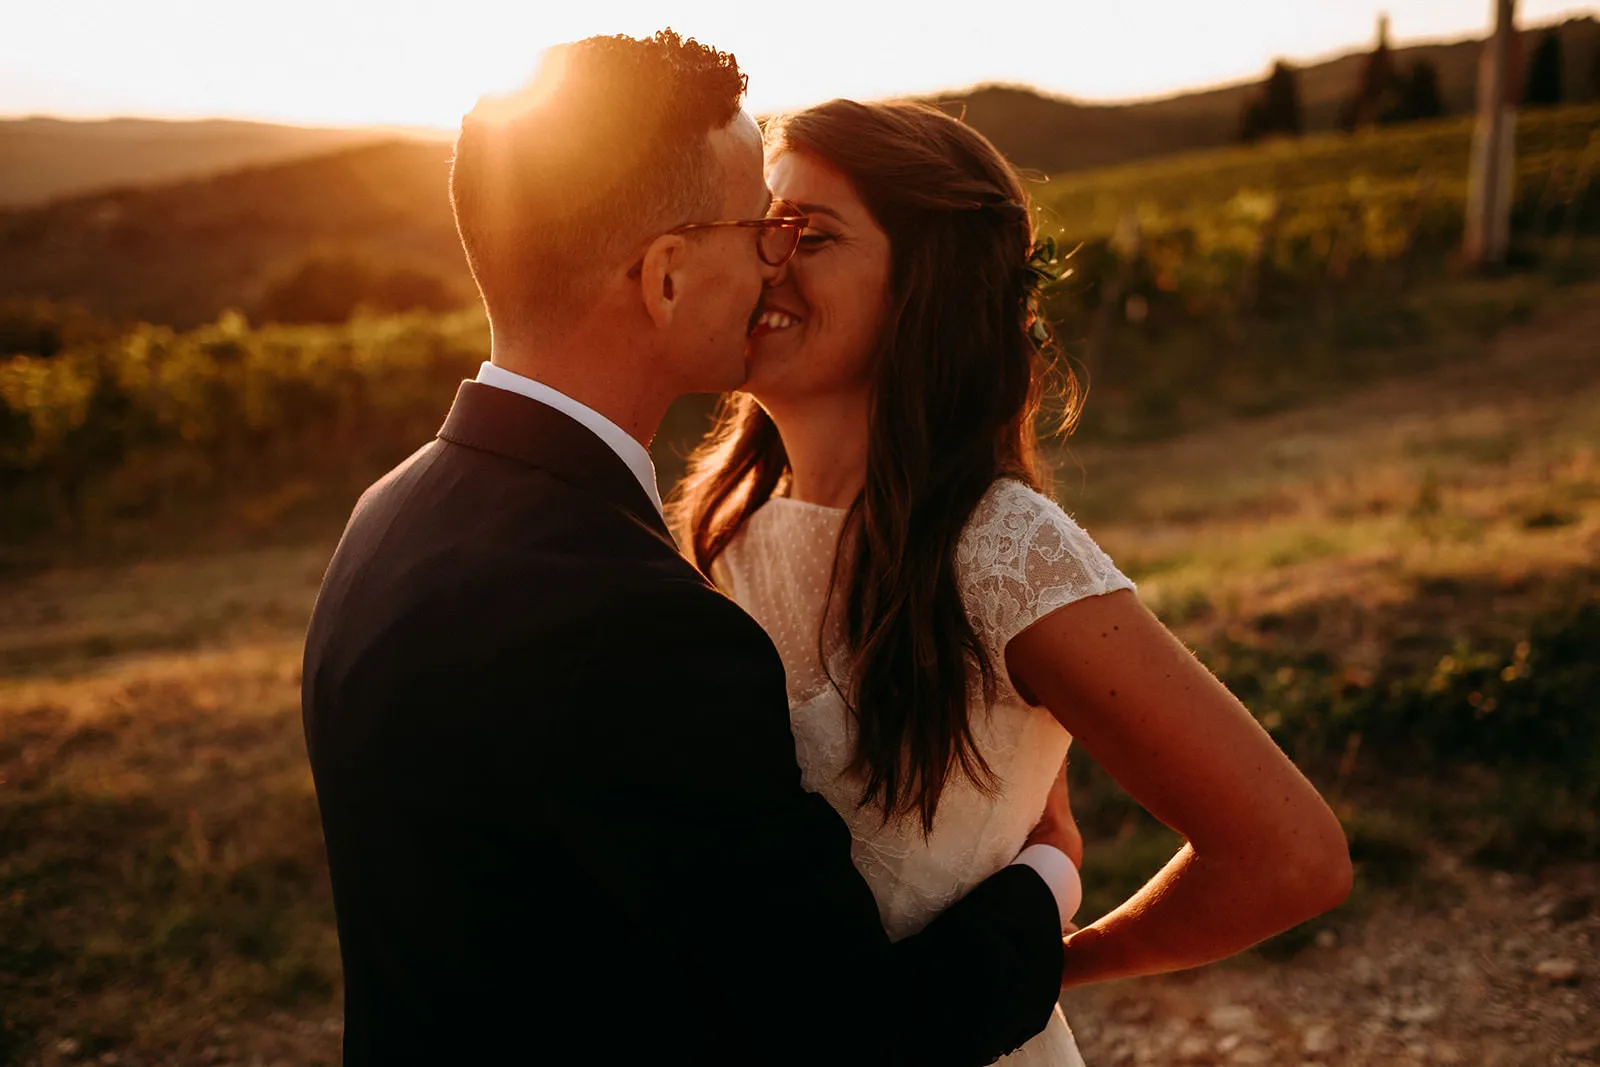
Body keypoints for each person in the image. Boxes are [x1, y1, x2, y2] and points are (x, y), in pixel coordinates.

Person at [301, 33, 1083, 1067]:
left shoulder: (389, 515)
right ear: (666, 277)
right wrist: (1049, 875)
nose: (775, 261)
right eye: (760, 229)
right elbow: (858, 1034)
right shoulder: (640, 626)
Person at [672, 99, 1353, 1066]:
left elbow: (1289, 855)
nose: (767, 262)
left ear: (926, 290)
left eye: (812, 235)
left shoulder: (996, 551)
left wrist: (1046, 960)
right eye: (766, 227)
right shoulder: (718, 523)